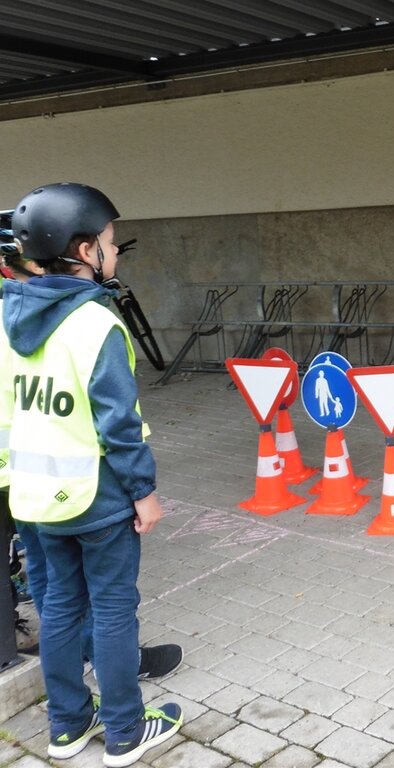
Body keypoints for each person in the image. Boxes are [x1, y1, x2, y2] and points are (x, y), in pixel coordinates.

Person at [1, 183, 183, 766]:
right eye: (109, 242)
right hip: (97, 500)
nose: (116, 251)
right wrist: (144, 493)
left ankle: (66, 727)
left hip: (35, 498)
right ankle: (127, 732)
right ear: (83, 251)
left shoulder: (9, 318)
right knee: (110, 611)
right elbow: (120, 426)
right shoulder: (95, 326)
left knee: (59, 610)